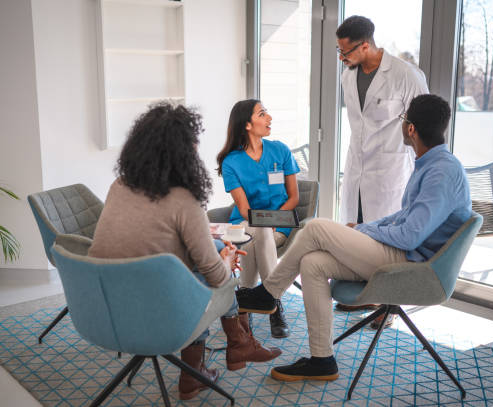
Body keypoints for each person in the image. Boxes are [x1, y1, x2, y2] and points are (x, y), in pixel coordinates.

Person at [235, 94, 472, 382]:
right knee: (313, 263)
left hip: (412, 263)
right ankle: (322, 360)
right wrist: (362, 227)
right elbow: (403, 217)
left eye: (403, 120)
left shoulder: (442, 172)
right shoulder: (431, 164)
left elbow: (409, 236)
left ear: (410, 129)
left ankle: (269, 292)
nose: (402, 125)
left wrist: (361, 231)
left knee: (316, 228)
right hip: (403, 252)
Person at [88, 102, 281, 400]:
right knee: (215, 276)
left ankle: (206, 367)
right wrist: (226, 262)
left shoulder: (118, 185)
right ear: (184, 151)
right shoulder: (183, 200)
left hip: (105, 311)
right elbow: (217, 277)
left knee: (204, 261)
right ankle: (236, 343)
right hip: (161, 316)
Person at [335, 15, 429, 315]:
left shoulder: (405, 75)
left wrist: (421, 178)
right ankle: (364, 294)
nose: (341, 58)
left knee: (385, 242)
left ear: (365, 46)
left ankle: (388, 304)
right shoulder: (347, 75)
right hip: (357, 168)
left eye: (345, 52)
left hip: (390, 171)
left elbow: (424, 127)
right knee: (356, 232)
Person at [216, 99, 300, 338]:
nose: (269, 118)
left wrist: (274, 220)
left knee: (261, 232)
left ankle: (245, 300)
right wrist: (264, 222)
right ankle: (273, 303)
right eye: (262, 114)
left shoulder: (280, 150)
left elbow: (293, 198)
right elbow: (243, 209)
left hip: (280, 222)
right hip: (245, 224)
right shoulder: (231, 161)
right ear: (247, 125)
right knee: (259, 230)